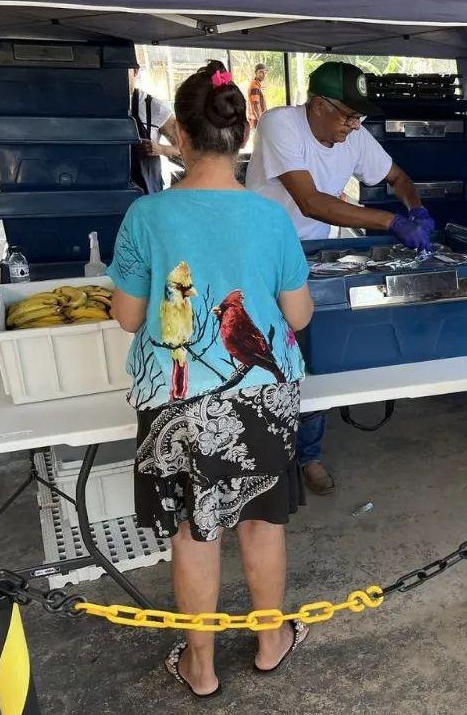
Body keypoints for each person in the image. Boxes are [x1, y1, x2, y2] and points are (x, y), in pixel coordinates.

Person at [109, 61, 314, 698]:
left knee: (193, 532)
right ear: (242, 131)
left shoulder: (147, 216)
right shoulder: (272, 218)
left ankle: (199, 666)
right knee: (260, 521)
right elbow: (299, 314)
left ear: (181, 132)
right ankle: (270, 640)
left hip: (175, 396)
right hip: (262, 398)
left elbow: (127, 316)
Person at [246, 60, 434, 497]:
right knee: (262, 359)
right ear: (317, 105)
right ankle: (263, 459)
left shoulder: (354, 135)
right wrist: (390, 222)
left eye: (359, 117)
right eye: (348, 115)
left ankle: (308, 455)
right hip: (262, 256)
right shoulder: (280, 125)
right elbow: (310, 202)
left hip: (314, 258)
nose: (353, 126)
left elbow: (398, 177)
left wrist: (415, 207)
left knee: (311, 359)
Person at [129, 66, 180, 194]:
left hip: (146, 192)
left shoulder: (154, 107)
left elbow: (183, 148)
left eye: (122, 70)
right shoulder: (98, 107)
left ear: (135, 71)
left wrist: (161, 149)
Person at [248, 63, 269, 129]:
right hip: (257, 121)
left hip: (257, 120)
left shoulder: (257, 85)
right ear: (256, 73)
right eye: (260, 72)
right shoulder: (254, 86)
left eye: (264, 72)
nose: (263, 74)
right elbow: (255, 105)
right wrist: (260, 121)